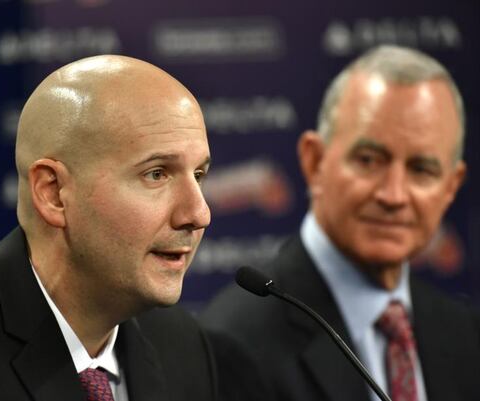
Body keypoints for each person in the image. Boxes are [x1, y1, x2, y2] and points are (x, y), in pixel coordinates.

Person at [0, 55, 217, 401]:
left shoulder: (183, 345)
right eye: (156, 174)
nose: (199, 213)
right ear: (53, 193)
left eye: (199, 175)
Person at [202, 45, 480, 401]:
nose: (394, 195)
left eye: (421, 169)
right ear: (314, 161)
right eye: (368, 160)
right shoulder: (231, 343)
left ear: (451, 187)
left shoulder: (466, 334)